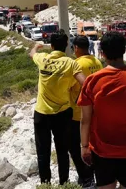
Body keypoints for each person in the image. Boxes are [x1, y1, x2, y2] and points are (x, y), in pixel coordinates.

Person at [78, 32, 126, 189]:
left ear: (102, 53)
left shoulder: (92, 81)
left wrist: (84, 146)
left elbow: (85, 119)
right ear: (124, 50)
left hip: (102, 151)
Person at [29, 32, 87, 185]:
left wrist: (36, 46)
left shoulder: (43, 59)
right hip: (63, 113)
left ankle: (45, 184)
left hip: (41, 113)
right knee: (62, 150)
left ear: (52, 45)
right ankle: (64, 183)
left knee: (43, 152)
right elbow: (86, 84)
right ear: (66, 46)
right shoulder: (71, 63)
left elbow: (32, 54)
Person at [69, 36, 104, 188]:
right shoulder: (97, 62)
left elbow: (69, 86)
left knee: (78, 147)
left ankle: (86, 178)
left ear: (76, 48)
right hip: (96, 110)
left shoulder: (76, 64)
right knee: (93, 145)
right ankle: (94, 174)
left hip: (79, 112)